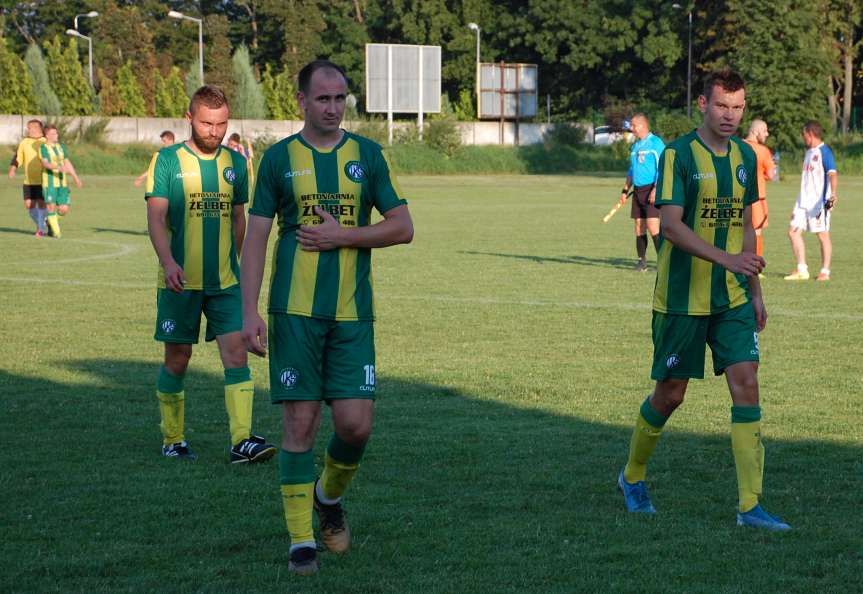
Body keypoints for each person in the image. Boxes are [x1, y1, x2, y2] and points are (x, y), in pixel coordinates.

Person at [240, 59, 414, 575]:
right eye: (323, 99)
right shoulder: (277, 160)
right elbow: (255, 240)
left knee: (356, 426)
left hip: (352, 313)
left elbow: (402, 227)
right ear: (301, 102)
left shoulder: (368, 156)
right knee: (300, 422)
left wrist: (344, 235)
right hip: (293, 311)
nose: (333, 108)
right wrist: (247, 311)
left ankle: (328, 500)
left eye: (340, 99)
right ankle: (300, 541)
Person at [617, 70, 790, 531]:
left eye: (738, 107)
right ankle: (632, 476)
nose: (731, 115)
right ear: (702, 105)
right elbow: (670, 225)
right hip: (680, 300)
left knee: (747, 384)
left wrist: (755, 290)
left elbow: (748, 227)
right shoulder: (677, 155)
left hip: (732, 298)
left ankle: (751, 506)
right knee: (670, 395)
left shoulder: (746, 158)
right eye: (722, 106)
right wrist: (728, 260)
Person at [144, 85, 276, 464]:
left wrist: (232, 261)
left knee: (237, 355)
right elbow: (155, 217)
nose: (214, 131)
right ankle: (173, 438)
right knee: (178, 358)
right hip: (179, 281)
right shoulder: (167, 161)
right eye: (206, 123)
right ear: (190, 118)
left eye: (220, 124)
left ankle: (242, 441)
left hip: (225, 283)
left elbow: (239, 219)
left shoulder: (234, 164)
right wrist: (169, 263)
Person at [783, 121, 838, 281]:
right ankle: (802, 270)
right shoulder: (809, 152)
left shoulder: (825, 152)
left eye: (803, 134)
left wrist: (833, 195)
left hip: (818, 203)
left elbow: (833, 174)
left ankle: (825, 272)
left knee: (822, 235)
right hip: (802, 202)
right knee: (793, 232)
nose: (803, 137)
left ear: (810, 134)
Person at [619, 113, 666, 271]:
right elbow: (632, 170)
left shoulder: (656, 143)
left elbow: (663, 168)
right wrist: (625, 190)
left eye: (633, 125)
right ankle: (641, 261)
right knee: (639, 227)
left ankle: (664, 263)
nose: (631, 128)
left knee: (653, 227)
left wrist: (656, 189)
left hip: (652, 189)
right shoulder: (635, 146)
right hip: (638, 191)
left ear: (642, 125)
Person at [40, 124, 82, 239]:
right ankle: (57, 233)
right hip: (49, 184)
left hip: (62, 183)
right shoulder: (43, 148)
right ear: (47, 135)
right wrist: (57, 167)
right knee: (51, 208)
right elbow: (45, 163)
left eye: (57, 133)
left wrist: (75, 177)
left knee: (64, 209)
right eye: (53, 133)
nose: (56, 135)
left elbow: (67, 163)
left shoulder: (61, 147)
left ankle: (50, 221)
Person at [743, 119, 776, 265]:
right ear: (755, 131)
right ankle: (754, 265)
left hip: (737, 196)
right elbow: (771, 175)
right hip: (757, 199)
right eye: (765, 130)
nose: (767, 134)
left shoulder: (738, 145)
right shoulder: (762, 151)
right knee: (756, 232)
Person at [8, 119, 48, 236]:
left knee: (41, 204)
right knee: (29, 206)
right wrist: (13, 168)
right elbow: (18, 157)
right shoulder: (24, 142)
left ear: (37, 128)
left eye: (29, 127)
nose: (27, 130)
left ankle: (39, 229)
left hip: (43, 180)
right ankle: (44, 222)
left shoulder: (45, 142)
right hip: (28, 181)